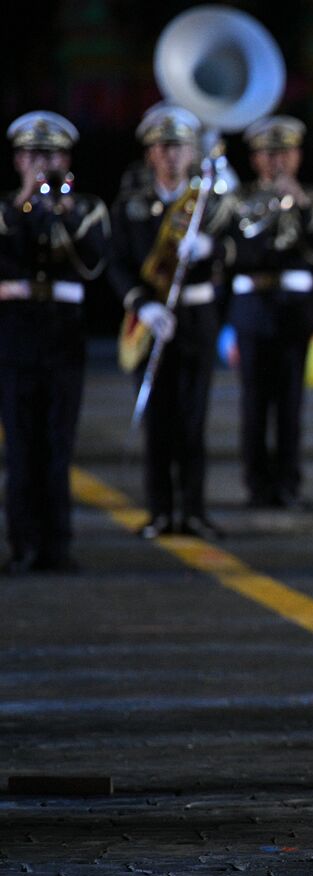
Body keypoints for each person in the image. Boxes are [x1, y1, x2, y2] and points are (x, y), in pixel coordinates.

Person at [107, 104, 230, 541]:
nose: (172, 155)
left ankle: (193, 510)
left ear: (192, 152)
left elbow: (234, 250)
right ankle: (160, 511)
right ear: (149, 155)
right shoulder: (131, 207)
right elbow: (117, 263)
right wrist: (141, 303)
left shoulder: (207, 204)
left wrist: (209, 249)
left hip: (196, 318)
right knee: (159, 422)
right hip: (151, 319)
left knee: (193, 420)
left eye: (179, 146)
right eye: (163, 147)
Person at [0, 111, 109, 572]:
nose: (40, 164)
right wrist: (25, 203)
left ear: (65, 159)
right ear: (17, 160)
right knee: (21, 443)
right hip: (17, 334)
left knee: (58, 442)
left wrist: (61, 214)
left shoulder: (85, 209)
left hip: (63, 334)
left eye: (48, 155)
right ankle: (23, 545)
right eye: (30, 155)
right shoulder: (5, 210)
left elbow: (92, 264)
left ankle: (58, 545)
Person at [225, 115, 313, 509]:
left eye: (285, 152)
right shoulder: (239, 199)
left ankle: (289, 482)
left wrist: (300, 205)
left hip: (295, 309)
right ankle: (256, 483)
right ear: (255, 158)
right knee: (254, 400)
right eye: (269, 154)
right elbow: (237, 254)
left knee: (291, 401)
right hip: (254, 306)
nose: (278, 161)